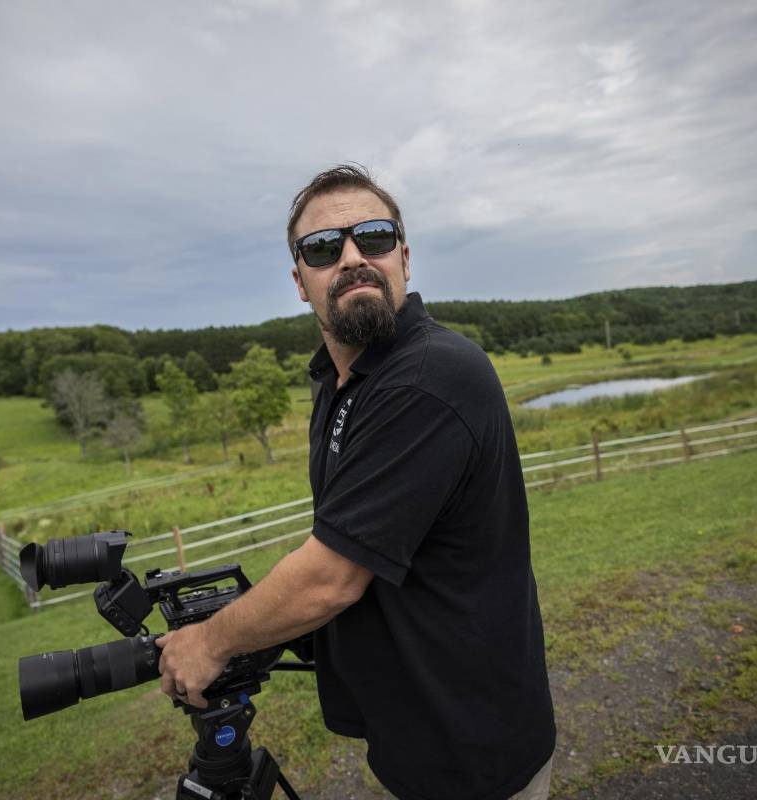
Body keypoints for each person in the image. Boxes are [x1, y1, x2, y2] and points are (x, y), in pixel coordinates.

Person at [156, 165, 556, 800]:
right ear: (299, 281)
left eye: (372, 237)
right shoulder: (342, 378)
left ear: (403, 256)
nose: (352, 257)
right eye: (322, 247)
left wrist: (210, 641)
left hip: (472, 744)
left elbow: (330, 577)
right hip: (416, 726)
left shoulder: (429, 376)